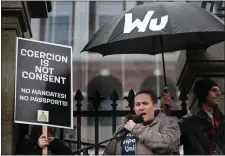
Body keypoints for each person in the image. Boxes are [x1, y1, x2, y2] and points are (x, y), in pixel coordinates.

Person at [103, 89, 181, 155]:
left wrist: (136, 129)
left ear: (154, 106)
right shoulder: (125, 126)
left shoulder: (168, 123)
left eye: (145, 103)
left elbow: (169, 145)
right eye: (137, 104)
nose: (141, 108)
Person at [161, 78, 225, 155]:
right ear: (203, 93)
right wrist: (165, 110)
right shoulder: (189, 123)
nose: (219, 93)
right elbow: (168, 143)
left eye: (218, 90)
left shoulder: (223, 121)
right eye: (214, 90)